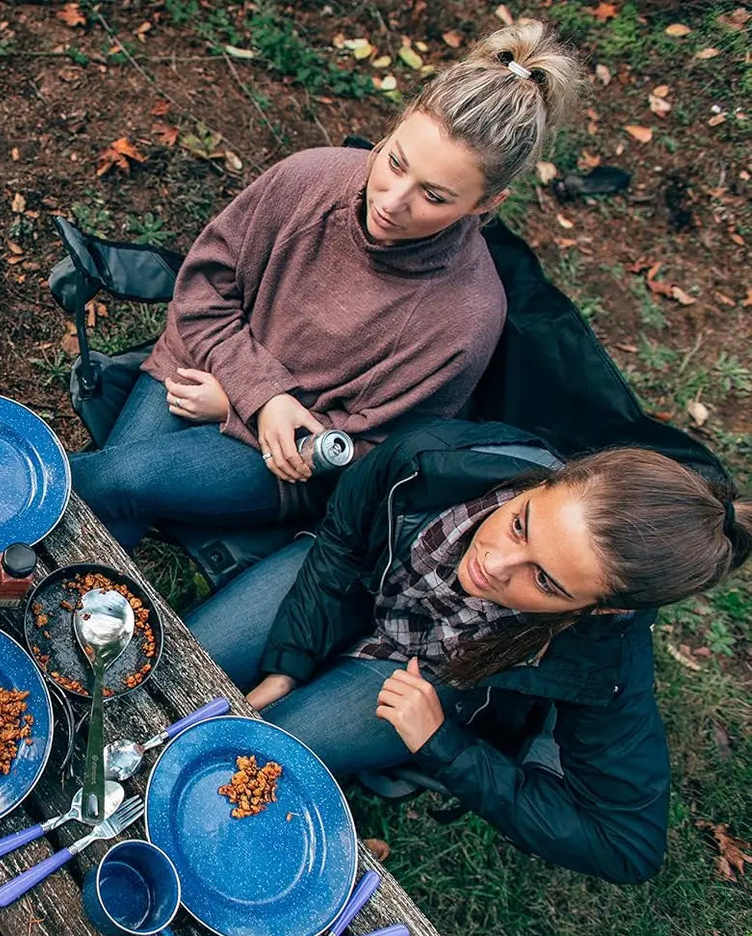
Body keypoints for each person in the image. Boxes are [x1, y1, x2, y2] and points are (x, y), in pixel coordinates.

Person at [72, 21, 582, 548]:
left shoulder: (466, 318)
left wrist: (242, 407)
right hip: (202, 361)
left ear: (484, 204)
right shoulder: (308, 179)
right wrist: (258, 392)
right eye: (394, 162)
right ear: (394, 127)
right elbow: (203, 290)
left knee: (119, 481)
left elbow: (373, 454)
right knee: (105, 499)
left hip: (284, 458)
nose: (391, 200)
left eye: (433, 196)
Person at [189, 419, 750, 884]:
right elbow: (343, 536)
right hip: (359, 588)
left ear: (601, 609)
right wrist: (290, 660)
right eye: (520, 525)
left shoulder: (605, 661)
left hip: (421, 678)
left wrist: (444, 747)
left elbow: (627, 845)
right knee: (182, 662)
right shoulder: (437, 457)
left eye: (547, 583)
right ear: (552, 479)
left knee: (244, 761)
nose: (495, 565)